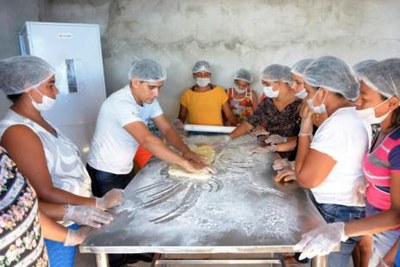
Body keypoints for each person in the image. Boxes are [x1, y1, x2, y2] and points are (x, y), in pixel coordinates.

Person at [0, 55, 123, 266]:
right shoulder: (18, 131)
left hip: (72, 216)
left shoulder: (38, 121)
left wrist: (87, 206)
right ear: (29, 88)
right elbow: (41, 192)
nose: (56, 91)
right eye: (50, 85)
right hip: (53, 226)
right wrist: (97, 203)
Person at [294, 58, 400, 267]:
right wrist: (370, 186)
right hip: (374, 228)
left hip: (387, 237)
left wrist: (342, 229)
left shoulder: (395, 142)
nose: (357, 102)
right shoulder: (382, 131)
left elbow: (398, 215)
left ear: (393, 102)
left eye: (364, 97)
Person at [284, 55, 370, 267]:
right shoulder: (352, 116)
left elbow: (307, 179)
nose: (308, 98)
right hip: (341, 205)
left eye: (311, 92)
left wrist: (305, 128)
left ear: (323, 92)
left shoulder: (339, 124)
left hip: (337, 209)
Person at [87, 59, 212, 198]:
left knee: (129, 206)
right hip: (105, 171)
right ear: (135, 82)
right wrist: (185, 164)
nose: (156, 93)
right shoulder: (120, 103)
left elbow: (167, 129)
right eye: (151, 87)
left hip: (125, 167)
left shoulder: (149, 100)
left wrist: (186, 151)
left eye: (159, 87)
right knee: (111, 216)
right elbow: (147, 140)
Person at [0, 146, 95, 267]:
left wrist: (72, 236)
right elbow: (45, 191)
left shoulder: (2, 157)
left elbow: (23, 211)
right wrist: (93, 204)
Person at [229, 64, 302, 160]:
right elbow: (249, 124)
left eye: (267, 84)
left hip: (293, 157)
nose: (265, 88)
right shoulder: (268, 103)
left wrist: (284, 140)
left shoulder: (300, 105)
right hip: (269, 153)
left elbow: (306, 138)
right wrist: (228, 139)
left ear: (281, 82)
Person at [177, 60, 237, 126]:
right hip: (195, 132)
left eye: (206, 74)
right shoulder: (187, 94)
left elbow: (229, 115)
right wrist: (179, 122)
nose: (203, 77)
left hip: (216, 131)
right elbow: (181, 117)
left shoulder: (219, 91)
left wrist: (238, 125)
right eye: (199, 74)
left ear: (210, 75)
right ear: (193, 75)